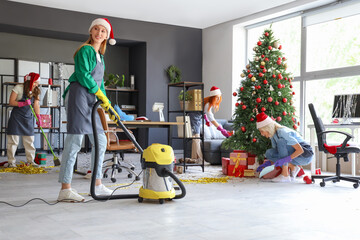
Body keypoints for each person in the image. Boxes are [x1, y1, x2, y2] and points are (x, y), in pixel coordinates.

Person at [58, 18, 120, 202]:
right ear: (91, 32)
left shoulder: (101, 57)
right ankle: (65, 189)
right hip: (78, 96)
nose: (99, 33)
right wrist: (100, 96)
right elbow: (84, 76)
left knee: (100, 140)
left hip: (91, 100)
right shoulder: (85, 50)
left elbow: (100, 84)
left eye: (103, 31)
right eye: (96, 29)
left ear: (107, 36)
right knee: (75, 141)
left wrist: (107, 104)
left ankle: (98, 184)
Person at [255, 112, 313, 183]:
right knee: (269, 153)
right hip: (295, 156)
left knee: (281, 141)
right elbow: (280, 154)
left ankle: (285, 175)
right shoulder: (273, 136)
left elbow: (300, 150)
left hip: (304, 156)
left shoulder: (282, 132)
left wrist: (286, 159)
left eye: (262, 131)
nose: (261, 134)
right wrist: (267, 164)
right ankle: (293, 167)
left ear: (267, 128)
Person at [7, 72, 42, 167]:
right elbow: (11, 102)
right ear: (30, 81)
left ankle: (30, 161)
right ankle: (11, 162)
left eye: (37, 83)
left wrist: (38, 117)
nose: (36, 85)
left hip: (28, 118)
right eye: (35, 83)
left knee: (29, 140)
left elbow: (36, 105)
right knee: (13, 141)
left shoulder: (36, 91)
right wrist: (21, 104)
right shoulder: (19, 88)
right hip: (16, 118)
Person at [188, 86, 230, 163]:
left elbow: (203, 112)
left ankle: (195, 158)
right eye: (216, 98)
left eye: (219, 98)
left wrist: (206, 120)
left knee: (195, 138)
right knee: (196, 138)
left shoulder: (206, 102)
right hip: (194, 118)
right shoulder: (208, 104)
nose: (218, 99)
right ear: (213, 97)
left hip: (196, 117)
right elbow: (212, 118)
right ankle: (198, 158)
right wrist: (221, 129)